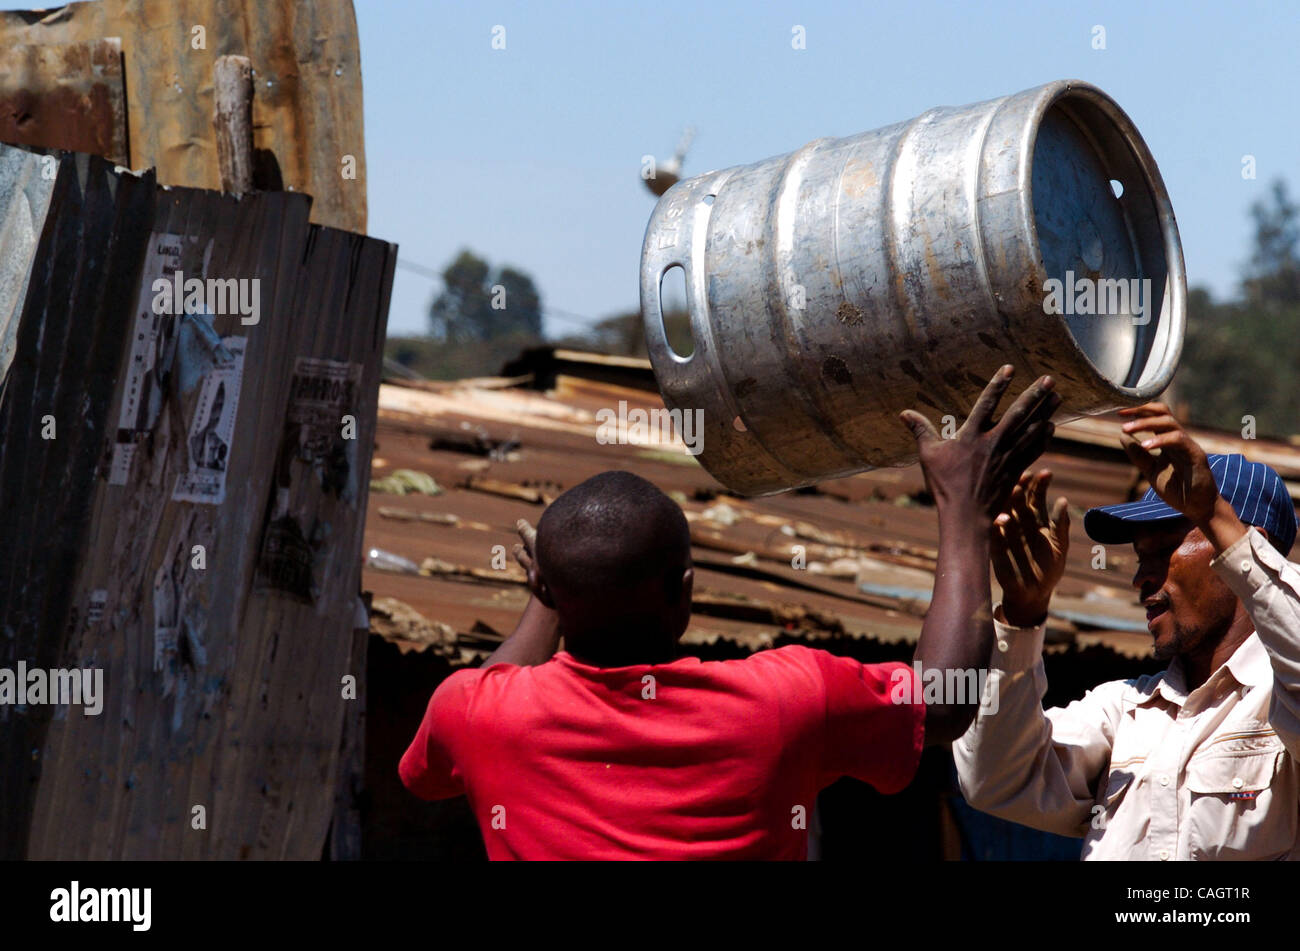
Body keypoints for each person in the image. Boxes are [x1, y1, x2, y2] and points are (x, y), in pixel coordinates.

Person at [400, 367, 1060, 859]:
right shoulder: (783, 698)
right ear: (683, 593)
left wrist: (550, 598)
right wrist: (963, 509)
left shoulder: (479, 715)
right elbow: (942, 704)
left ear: (551, 590)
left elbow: (439, 757)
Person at [953, 402, 1300, 860]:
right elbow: (992, 779)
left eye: (1164, 551)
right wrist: (1021, 616)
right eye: (1141, 557)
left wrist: (1214, 514)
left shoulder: (1280, 703)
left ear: (1240, 546)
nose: (1141, 578)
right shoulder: (1125, 712)